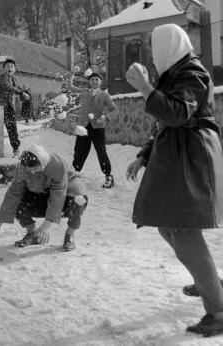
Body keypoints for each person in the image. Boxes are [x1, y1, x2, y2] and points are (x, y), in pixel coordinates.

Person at [126, 23, 223, 337]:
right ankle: (210, 281)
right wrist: (144, 155)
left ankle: (219, 310)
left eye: (156, 49)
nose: (154, 57)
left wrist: (145, 88)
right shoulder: (177, 74)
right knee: (172, 227)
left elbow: (179, 113)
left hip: (191, 159)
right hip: (178, 156)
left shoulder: (192, 73)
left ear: (167, 47)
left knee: (182, 230)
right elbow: (167, 125)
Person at [0, 144, 88, 252]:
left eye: (35, 169)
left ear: (42, 162)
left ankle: (69, 235)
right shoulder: (22, 168)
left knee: (79, 198)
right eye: (29, 169)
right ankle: (33, 233)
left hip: (66, 193)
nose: (32, 172)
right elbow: (13, 195)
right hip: (41, 193)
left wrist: (46, 226)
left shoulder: (58, 165)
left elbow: (58, 196)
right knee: (17, 201)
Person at [71, 72, 117, 188]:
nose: (94, 81)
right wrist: (72, 74)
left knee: (101, 152)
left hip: (97, 128)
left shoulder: (104, 95)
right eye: (92, 79)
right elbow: (71, 87)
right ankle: (75, 175)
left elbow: (114, 110)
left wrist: (106, 117)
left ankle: (108, 176)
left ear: (100, 82)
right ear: (89, 82)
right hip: (83, 128)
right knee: (79, 152)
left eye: (96, 79)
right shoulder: (84, 93)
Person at [0, 57, 30, 156]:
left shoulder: (14, 79)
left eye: (12, 66)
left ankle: (16, 148)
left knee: (12, 127)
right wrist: (21, 93)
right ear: (4, 68)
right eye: (8, 66)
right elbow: (8, 87)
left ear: (15, 69)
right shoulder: (2, 77)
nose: (10, 68)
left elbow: (16, 89)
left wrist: (24, 95)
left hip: (8, 106)